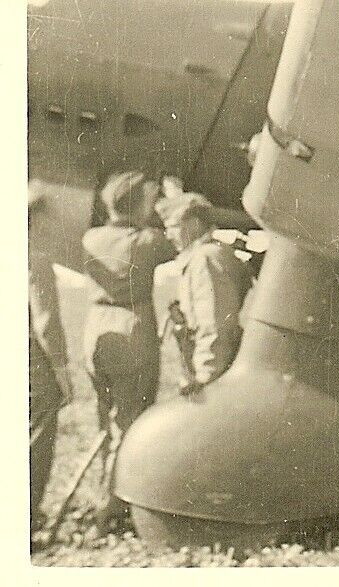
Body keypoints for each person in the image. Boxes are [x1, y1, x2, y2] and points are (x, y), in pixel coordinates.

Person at [81, 172, 175, 531]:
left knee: (106, 419)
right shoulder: (147, 241)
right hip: (132, 329)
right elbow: (179, 237)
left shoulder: (92, 237)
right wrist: (172, 197)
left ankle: (105, 494)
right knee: (131, 421)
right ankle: (114, 507)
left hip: (96, 328)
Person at [157, 192, 253, 392]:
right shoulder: (206, 255)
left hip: (214, 372)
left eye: (173, 227)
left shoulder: (205, 259)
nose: (168, 235)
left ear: (193, 224)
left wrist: (205, 374)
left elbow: (214, 323)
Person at [28, 189, 73, 539]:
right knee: (37, 437)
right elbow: (46, 324)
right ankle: (26, 517)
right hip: (32, 363)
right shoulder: (35, 260)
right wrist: (61, 372)